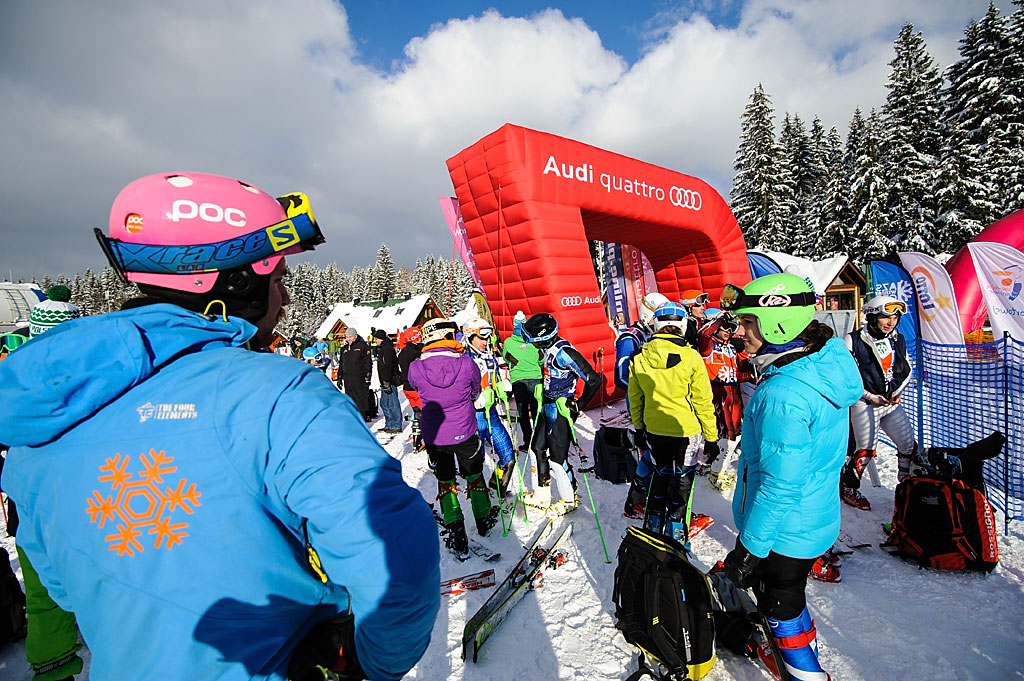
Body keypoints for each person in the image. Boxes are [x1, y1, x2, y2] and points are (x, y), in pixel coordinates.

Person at [0, 172, 439, 681]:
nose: (287, 300)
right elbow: (395, 560)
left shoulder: (40, 416)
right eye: (278, 280)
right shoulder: (278, 393)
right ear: (235, 284)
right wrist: (369, 662)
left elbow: (60, 585)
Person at [719, 273, 861, 681]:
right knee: (791, 601)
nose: (738, 332)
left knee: (778, 607)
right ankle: (803, 658)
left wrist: (749, 549)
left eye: (747, 322)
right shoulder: (821, 360)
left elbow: (780, 484)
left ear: (778, 325)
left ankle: (806, 674)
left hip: (784, 531)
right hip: (812, 516)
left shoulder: (784, 394)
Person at [11, 285, 85, 681]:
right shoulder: (95, 372)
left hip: (29, 495)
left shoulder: (15, 375)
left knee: (42, 594)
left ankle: (53, 665)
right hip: (83, 492)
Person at [627, 302, 719, 543]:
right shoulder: (691, 356)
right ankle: (676, 531)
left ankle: (653, 526)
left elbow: (635, 398)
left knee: (659, 475)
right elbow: (703, 401)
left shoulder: (639, 357)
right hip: (685, 431)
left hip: (655, 430)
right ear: (683, 326)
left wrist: (639, 428)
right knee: (682, 481)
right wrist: (711, 437)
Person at [408, 318, 496, 559]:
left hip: (436, 434)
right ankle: (483, 518)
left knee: (445, 478)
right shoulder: (467, 363)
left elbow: (417, 388)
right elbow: (475, 391)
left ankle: (457, 531)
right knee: (474, 472)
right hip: (464, 429)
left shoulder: (415, 367)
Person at [840, 295, 917, 511]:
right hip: (864, 403)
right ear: (873, 317)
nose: (890, 322)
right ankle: (848, 486)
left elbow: (906, 368)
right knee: (866, 449)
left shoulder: (896, 339)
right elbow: (847, 377)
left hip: (888, 403)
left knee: (907, 444)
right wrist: (869, 396)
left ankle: (905, 485)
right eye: (885, 316)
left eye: (894, 317)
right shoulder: (852, 339)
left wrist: (896, 391)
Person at [520, 313, 602, 516]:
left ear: (543, 337)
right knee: (536, 449)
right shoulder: (548, 349)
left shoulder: (564, 352)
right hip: (546, 405)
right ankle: (541, 493)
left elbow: (594, 379)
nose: (532, 345)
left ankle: (568, 499)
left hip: (561, 410)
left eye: (533, 340)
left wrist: (578, 404)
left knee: (557, 457)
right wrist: (542, 389)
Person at [613, 292, 668, 519]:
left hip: (656, 403)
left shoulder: (652, 335)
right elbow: (621, 376)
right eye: (659, 316)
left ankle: (639, 500)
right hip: (643, 405)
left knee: (653, 453)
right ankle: (641, 502)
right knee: (653, 453)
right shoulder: (631, 337)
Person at [463, 318, 516, 503]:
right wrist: (474, 398)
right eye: (481, 337)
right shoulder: (463, 359)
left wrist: (501, 386)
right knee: (477, 464)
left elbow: (493, 380)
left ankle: (496, 490)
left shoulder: (490, 356)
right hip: (473, 417)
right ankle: (479, 503)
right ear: (470, 336)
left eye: (488, 337)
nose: (486, 341)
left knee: (508, 456)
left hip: (492, 413)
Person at [697, 308, 749, 488]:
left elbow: (740, 371)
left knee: (735, 436)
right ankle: (715, 473)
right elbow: (704, 335)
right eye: (725, 327)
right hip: (716, 393)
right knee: (725, 437)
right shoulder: (709, 345)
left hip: (733, 394)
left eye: (731, 327)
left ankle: (717, 468)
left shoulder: (732, 347)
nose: (728, 331)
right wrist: (720, 320)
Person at [502, 310, 543, 454]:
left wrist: (517, 361)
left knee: (523, 413)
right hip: (536, 379)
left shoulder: (508, 341)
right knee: (537, 411)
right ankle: (540, 442)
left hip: (518, 380)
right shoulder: (534, 340)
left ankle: (528, 442)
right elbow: (541, 358)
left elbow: (506, 358)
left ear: (514, 325)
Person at [338, 327, 374, 422]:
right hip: (348, 378)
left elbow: (368, 362)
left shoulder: (362, 346)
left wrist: (368, 375)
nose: (348, 339)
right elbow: (341, 363)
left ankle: (363, 417)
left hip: (359, 377)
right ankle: (353, 417)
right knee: (350, 397)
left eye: (350, 337)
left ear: (355, 336)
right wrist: (339, 377)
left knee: (360, 397)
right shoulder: (344, 349)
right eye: (347, 337)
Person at [397, 326, 424, 450]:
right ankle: (420, 438)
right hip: (415, 387)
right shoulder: (416, 353)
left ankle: (416, 436)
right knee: (424, 413)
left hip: (407, 387)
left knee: (416, 412)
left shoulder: (403, 352)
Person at [372, 329, 403, 434]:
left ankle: (396, 424)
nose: (374, 340)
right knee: (384, 403)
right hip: (385, 381)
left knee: (392, 403)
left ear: (381, 339)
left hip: (390, 381)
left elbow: (388, 366)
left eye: (376, 339)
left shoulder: (388, 349)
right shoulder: (383, 349)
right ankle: (389, 423)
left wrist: (387, 382)